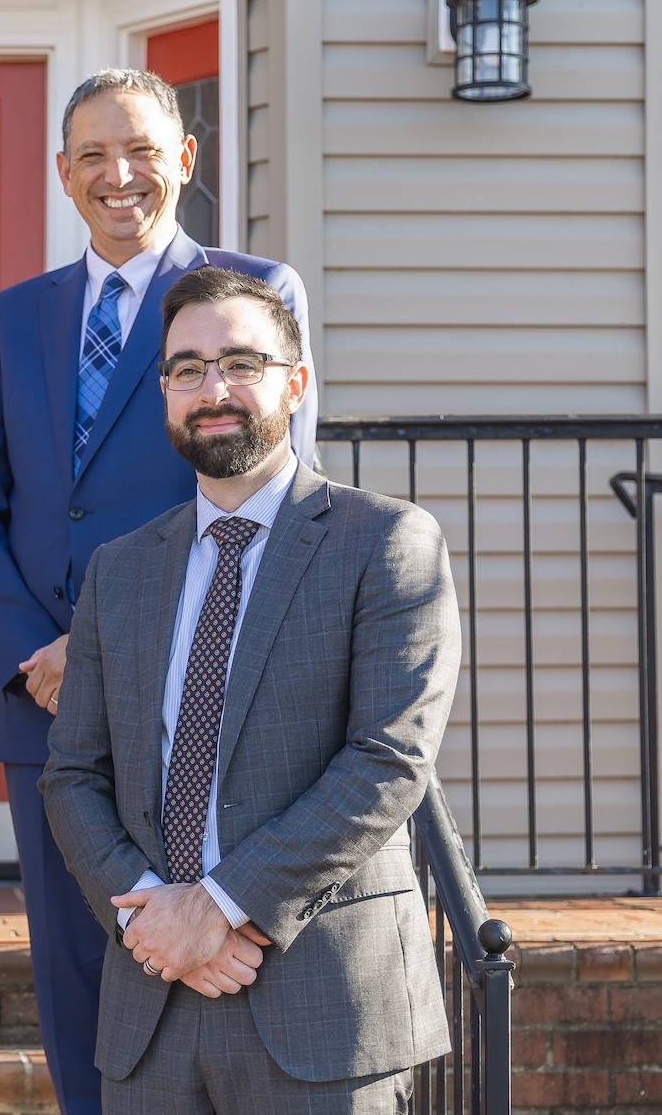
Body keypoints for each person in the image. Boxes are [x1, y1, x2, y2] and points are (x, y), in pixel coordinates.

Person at [0, 67, 317, 1115]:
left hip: (199, 697)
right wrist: (34, 649)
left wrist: (111, 655)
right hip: (46, 703)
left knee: (204, 956)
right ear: (63, 174)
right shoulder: (14, 318)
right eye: (94, 155)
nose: (120, 175)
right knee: (73, 973)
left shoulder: (253, 294)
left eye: (143, 150)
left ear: (184, 160)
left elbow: (272, 503)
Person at [41, 266, 458, 1114]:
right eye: (187, 369)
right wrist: (156, 919)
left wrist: (223, 907)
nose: (213, 388)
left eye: (241, 362)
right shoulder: (119, 573)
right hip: (154, 1004)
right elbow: (73, 775)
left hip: (321, 1002)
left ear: (294, 383)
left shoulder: (384, 543)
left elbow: (388, 759)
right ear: (164, 394)